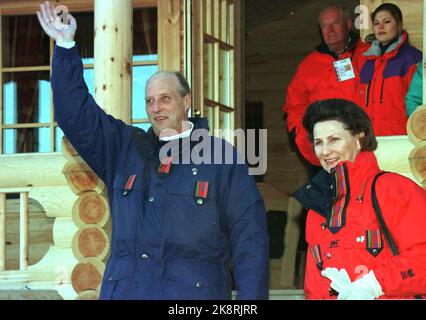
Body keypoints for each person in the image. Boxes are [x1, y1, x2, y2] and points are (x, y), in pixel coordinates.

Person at [37, 1, 269, 300]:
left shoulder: (220, 157)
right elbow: (76, 116)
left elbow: (249, 238)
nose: (156, 108)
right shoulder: (125, 148)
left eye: (165, 99)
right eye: (149, 101)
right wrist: (66, 46)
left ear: (186, 102)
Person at [293, 98, 426, 299]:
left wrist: (374, 284)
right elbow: (314, 289)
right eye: (318, 142)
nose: (325, 151)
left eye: (334, 139)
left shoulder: (395, 190)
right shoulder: (317, 210)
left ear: (359, 138)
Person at [283, 4, 368, 177]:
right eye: (324, 26)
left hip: (362, 151)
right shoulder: (309, 65)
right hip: (323, 156)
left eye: (335, 23)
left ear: (349, 23)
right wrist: (302, 139)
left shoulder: (368, 55)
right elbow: (294, 107)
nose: (329, 30)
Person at [358, 3, 422, 136]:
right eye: (376, 23)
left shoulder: (413, 58)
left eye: (387, 21)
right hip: (371, 140)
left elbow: (417, 101)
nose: (380, 27)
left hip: (402, 138)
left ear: (399, 25)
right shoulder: (367, 61)